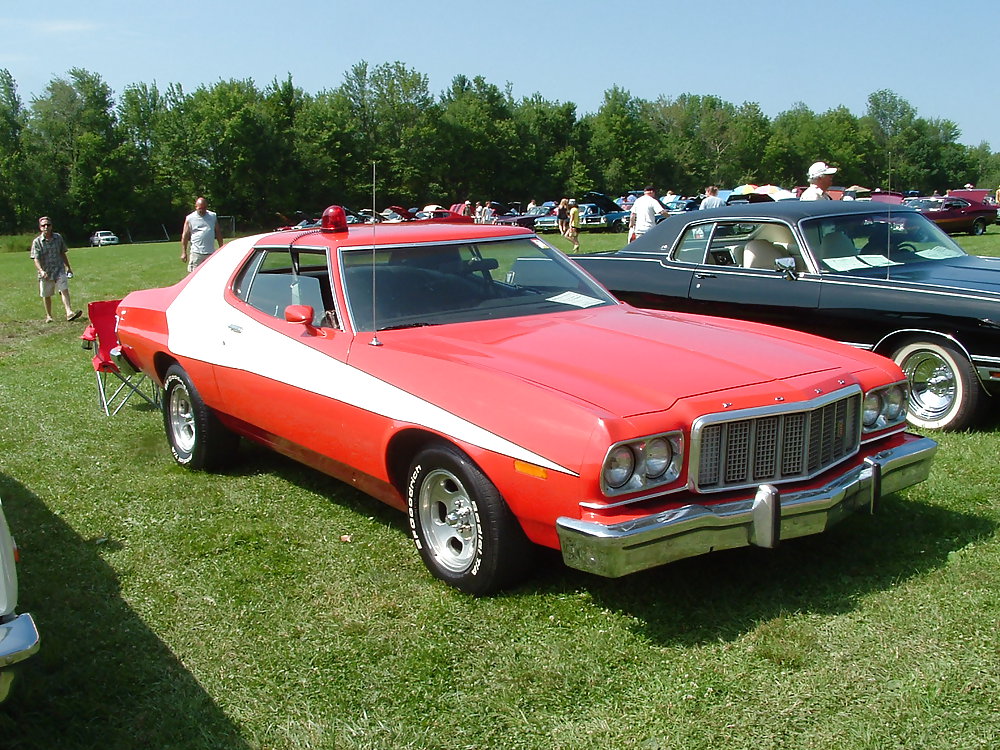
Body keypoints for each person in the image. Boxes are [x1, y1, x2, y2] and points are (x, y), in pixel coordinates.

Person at [30, 216, 81, 322]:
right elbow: (36, 258)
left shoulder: (58, 238)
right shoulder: (37, 242)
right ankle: (49, 316)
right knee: (46, 294)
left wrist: (68, 267)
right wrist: (41, 271)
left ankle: (69, 312)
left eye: (48, 225)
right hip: (46, 272)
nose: (46, 227)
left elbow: (62, 253)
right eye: (43, 225)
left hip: (59, 269)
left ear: (51, 226)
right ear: (40, 228)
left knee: (64, 290)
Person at [181, 196, 224, 272]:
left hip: (210, 252)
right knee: (194, 275)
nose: (203, 210)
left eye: (204, 208)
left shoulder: (212, 216)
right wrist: (184, 252)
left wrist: (221, 248)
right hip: (196, 253)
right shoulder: (190, 218)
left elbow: (218, 233)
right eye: (200, 208)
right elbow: (185, 236)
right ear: (196, 207)